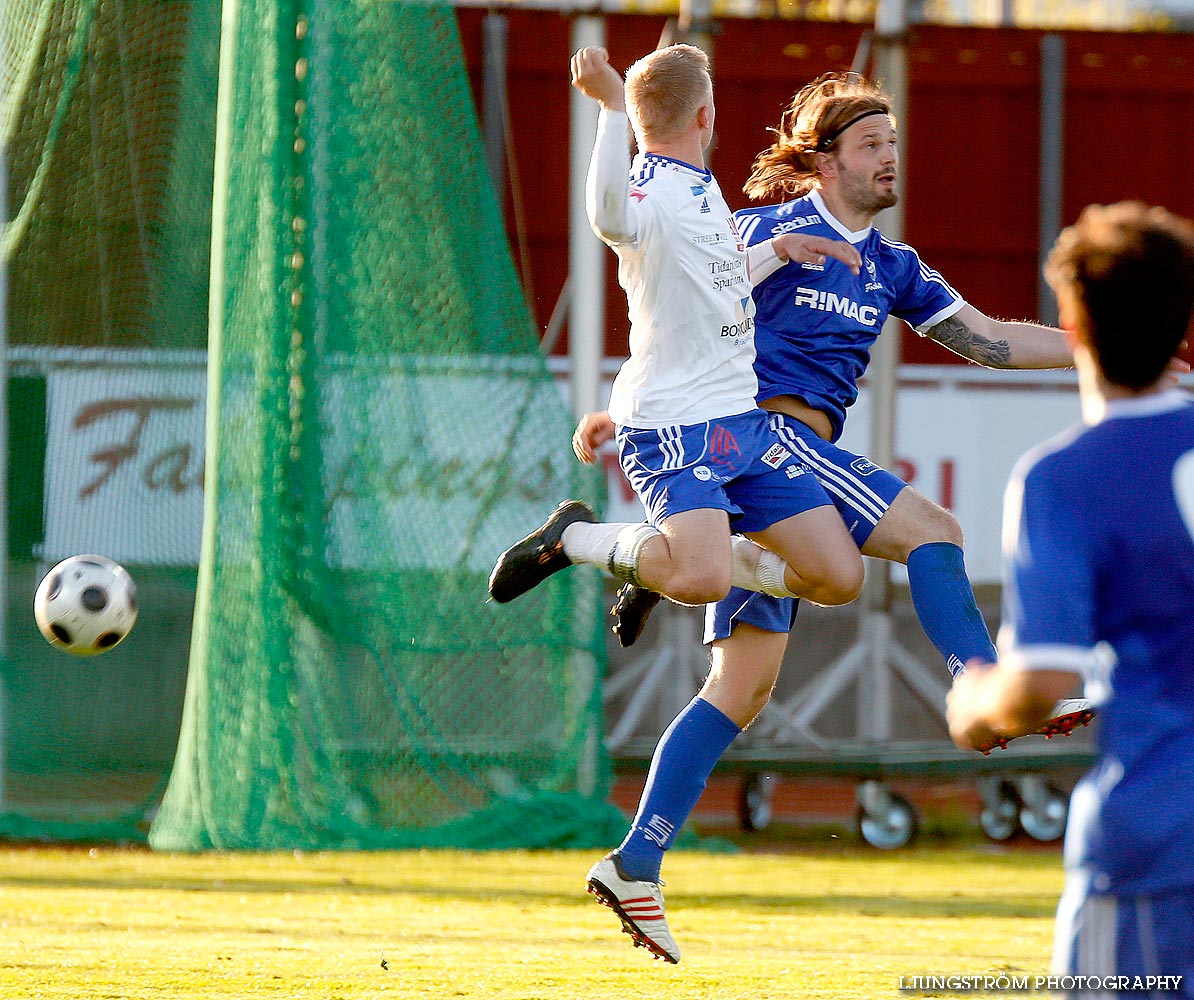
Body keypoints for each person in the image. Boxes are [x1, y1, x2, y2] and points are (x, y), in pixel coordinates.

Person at [572, 71, 1133, 964]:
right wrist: (621, 412)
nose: (889, 158)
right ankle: (978, 683)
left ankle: (636, 862)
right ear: (822, 161)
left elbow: (987, 339)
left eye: (895, 143)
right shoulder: (759, 228)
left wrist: (1104, 349)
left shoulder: (893, 266)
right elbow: (669, 313)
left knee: (743, 692)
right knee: (932, 530)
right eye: (872, 144)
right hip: (761, 448)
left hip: (776, 485)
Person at [488, 49, 882, 964]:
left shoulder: (700, 193)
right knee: (705, 572)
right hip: (674, 430)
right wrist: (604, 110)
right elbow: (607, 215)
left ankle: (655, 561)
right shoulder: (654, 183)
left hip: (737, 427)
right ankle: (582, 541)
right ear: (706, 114)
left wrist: (775, 250)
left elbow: (702, 290)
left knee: (839, 574)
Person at [947, 201, 1194, 991]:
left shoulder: (1068, 477)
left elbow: (1045, 683)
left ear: (1074, 330)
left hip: (1159, 836)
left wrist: (977, 706)